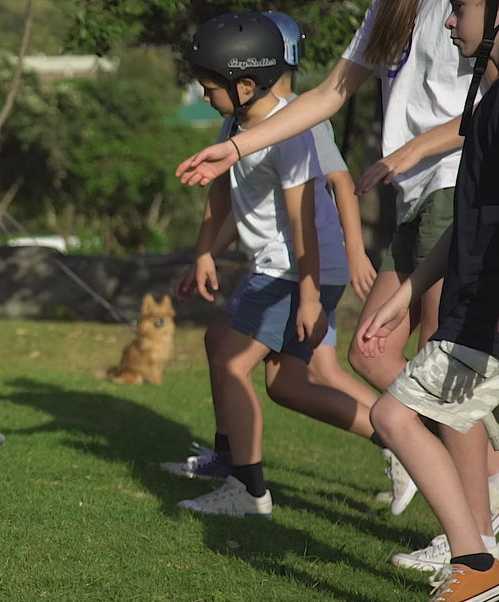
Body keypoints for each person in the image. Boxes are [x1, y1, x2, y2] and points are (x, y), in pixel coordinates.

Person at [176, 0, 499, 569]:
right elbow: (330, 95)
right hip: (416, 195)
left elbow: (482, 111)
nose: (453, 25)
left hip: (451, 183)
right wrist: (232, 148)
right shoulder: (390, 10)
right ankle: (472, 522)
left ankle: (476, 540)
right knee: (372, 354)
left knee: (442, 370)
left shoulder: (471, 10)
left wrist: (415, 149)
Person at [165, 9, 411, 506]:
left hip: (293, 269)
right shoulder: (237, 124)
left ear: (246, 84)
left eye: (209, 88)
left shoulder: (293, 129)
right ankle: (402, 440)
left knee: (230, 357)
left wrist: (311, 293)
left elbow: (305, 222)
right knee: (287, 384)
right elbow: (226, 196)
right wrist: (204, 254)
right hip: (281, 268)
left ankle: (247, 489)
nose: (204, 97)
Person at [354, 2, 499, 602]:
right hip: (476, 314)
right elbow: (465, 227)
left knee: (393, 415)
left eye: (460, 9)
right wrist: (405, 295)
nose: (446, 21)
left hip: (483, 318)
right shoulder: (486, 109)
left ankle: (475, 564)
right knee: (399, 410)